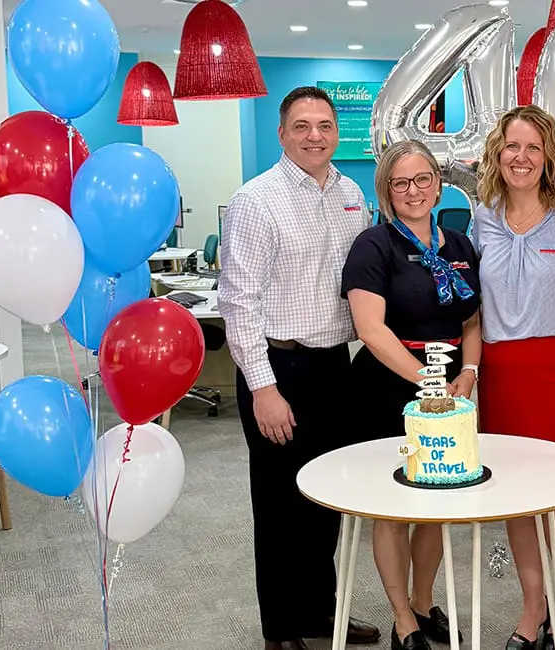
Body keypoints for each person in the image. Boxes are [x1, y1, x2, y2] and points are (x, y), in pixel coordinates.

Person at [218, 86, 381, 650]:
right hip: (277, 369)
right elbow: (238, 301)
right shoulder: (255, 200)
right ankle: (281, 630)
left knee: (325, 502)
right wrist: (263, 388)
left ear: (338, 133)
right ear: (283, 133)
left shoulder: (351, 193)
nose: (315, 135)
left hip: (335, 365)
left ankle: (321, 615)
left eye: (325, 125)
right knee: (280, 505)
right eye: (303, 126)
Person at [341, 139, 482, 650]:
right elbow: (371, 330)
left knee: (436, 502)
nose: (413, 190)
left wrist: (467, 373)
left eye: (422, 179)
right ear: (386, 193)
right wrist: (428, 381)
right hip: (387, 386)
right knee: (393, 507)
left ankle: (424, 604)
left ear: (439, 185)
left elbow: (471, 320)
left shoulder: (460, 247)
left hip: (448, 389)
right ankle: (402, 619)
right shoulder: (372, 247)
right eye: (400, 183)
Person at [471, 105, 555, 650]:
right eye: (512, 147)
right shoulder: (481, 217)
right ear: (498, 154)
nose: (521, 158)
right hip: (503, 370)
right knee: (516, 490)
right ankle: (532, 605)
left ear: (549, 158)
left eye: (533, 148)